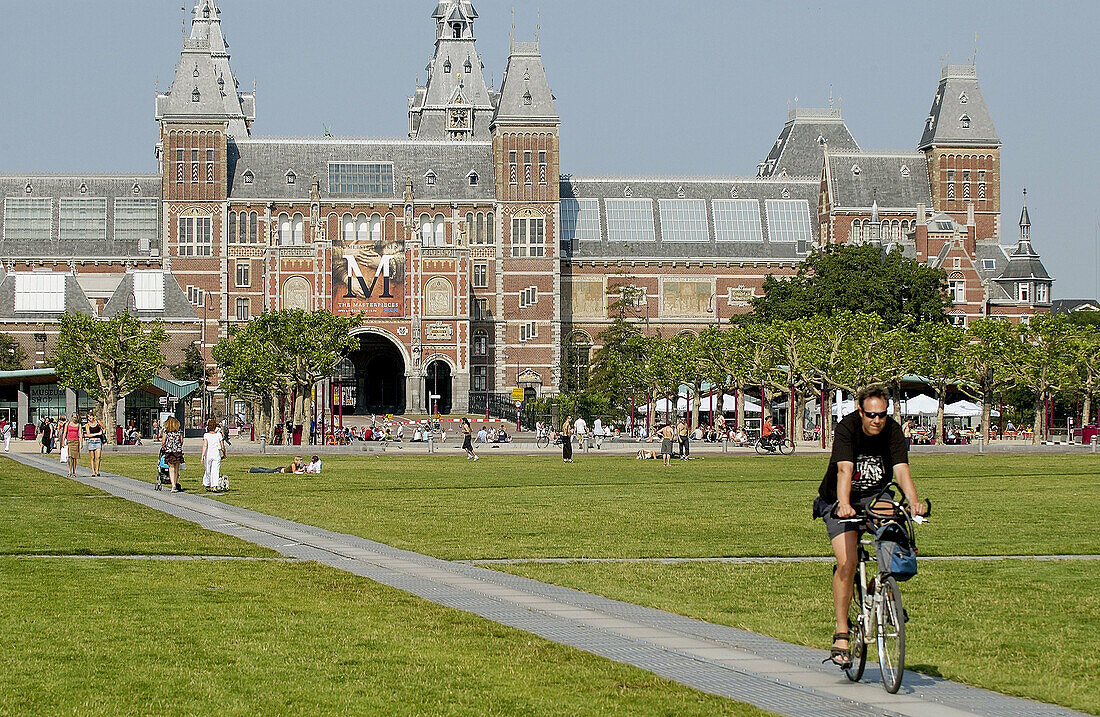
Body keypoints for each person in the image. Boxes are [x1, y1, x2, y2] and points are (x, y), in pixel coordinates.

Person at [814, 384, 927, 668]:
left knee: (895, 547)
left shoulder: (893, 431)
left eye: (882, 414)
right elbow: (844, 470)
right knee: (847, 562)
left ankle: (882, 587)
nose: (877, 420)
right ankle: (842, 632)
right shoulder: (847, 429)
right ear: (860, 411)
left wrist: (913, 501)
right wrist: (843, 503)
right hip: (839, 497)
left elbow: (901, 469)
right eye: (871, 414)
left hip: (877, 496)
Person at [200, 419, 226, 492]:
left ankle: (207, 484)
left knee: (208, 470)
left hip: (208, 454)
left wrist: (202, 456)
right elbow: (222, 446)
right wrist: (224, 454)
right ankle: (214, 485)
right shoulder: (219, 435)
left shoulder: (206, 435)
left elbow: (205, 446)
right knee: (216, 470)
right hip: (216, 454)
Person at [161, 416, 185, 492]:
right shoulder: (179, 432)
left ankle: (173, 485)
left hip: (169, 451)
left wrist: (164, 447)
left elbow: (163, 441)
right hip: (177, 451)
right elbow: (181, 441)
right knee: (176, 468)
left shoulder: (166, 432)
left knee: (171, 468)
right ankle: (175, 482)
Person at [83, 410, 105, 477]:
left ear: (93, 417)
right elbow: (88, 435)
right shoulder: (87, 425)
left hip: (98, 441)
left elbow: (104, 428)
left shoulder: (98, 422)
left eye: (91, 417)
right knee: (92, 457)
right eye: (89, 417)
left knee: (98, 456)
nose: (90, 418)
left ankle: (97, 470)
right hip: (91, 441)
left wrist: (102, 433)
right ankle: (93, 471)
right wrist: (97, 433)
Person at [61, 413, 82, 478]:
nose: (75, 419)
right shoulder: (68, 424)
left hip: (75, 442)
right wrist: (62, 442)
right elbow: (64, 433)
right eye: (74, 417)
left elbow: (80, 434)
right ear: (72, 417)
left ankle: (74, 472)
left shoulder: (78, 425)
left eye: (76, 417)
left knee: (74, 458)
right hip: (69, 441)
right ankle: (69, 471)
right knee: (70, 457)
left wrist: (81, 443)